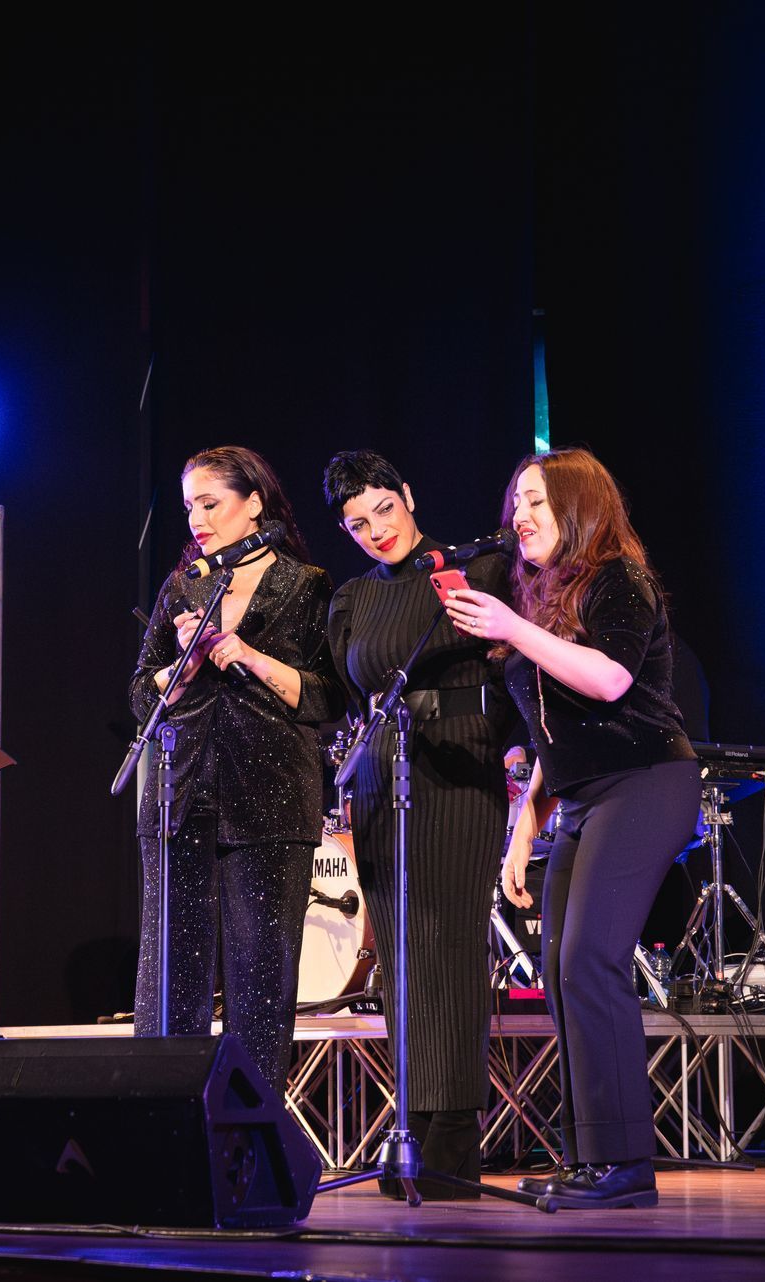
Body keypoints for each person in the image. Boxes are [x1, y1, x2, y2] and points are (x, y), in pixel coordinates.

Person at [445, 448, 699, 1209]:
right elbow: (557, 735)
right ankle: (591, 1159)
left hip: (646, 781)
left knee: (591, 960)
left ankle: (625, 1166)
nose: (518, 517)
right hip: (584, 796)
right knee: (558, 969)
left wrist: (511, 630)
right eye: (516, 503)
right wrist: (526, 823)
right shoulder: (543, 599)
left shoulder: (620, 580)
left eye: (536, 503)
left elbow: (609, 679)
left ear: (578, 507)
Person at [322, 449, 517, 1198]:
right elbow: (345, 696)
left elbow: (515, 672)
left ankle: (454, 1136)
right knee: (401, 956)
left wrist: (522, 757)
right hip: (381, 778)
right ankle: (413, 1122)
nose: (377, 530)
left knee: (451, 947)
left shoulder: (477, 568)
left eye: (385, 510)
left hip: (459, 770)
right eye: (357, 524)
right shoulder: (352, 599)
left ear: (408, 495)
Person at [128, 446, 343, 1091]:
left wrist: (248, 655)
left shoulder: (306, 585)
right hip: (181, 795)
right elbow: (141, 694)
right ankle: (167, 1123)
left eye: (210, 503)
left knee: (260, 986)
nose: (197, 519)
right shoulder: (184, 586)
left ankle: (251, 1133)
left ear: (253, 505)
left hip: (272, 800)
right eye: (188, 507)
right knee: (170, 981)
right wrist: (185, 665)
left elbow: (329, 697)